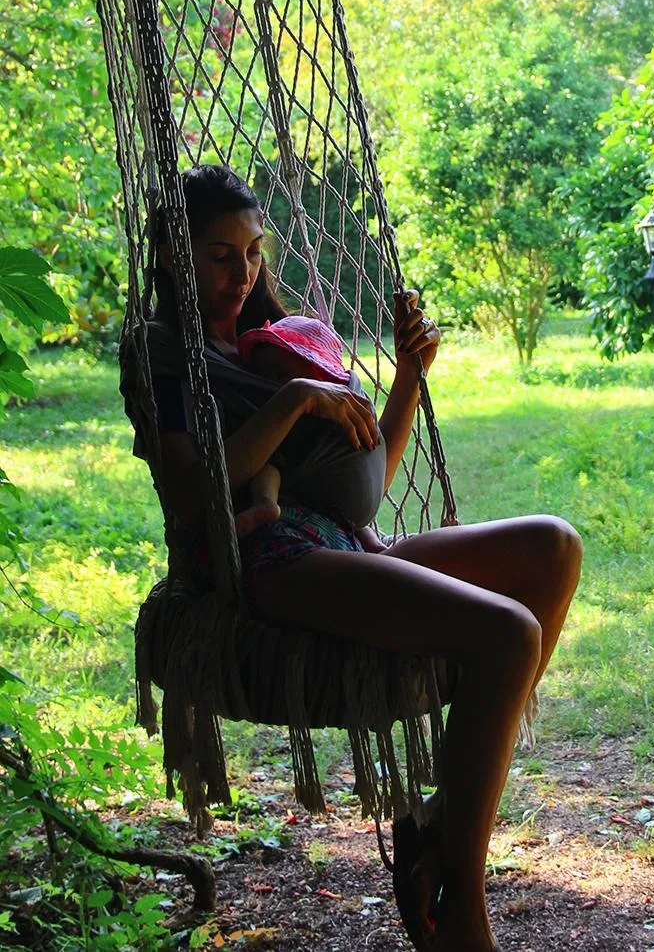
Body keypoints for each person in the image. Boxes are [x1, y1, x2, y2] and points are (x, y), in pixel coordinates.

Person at [150, 165, 582, 952]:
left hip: (350, 541)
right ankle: (462, 916)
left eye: (252, 254)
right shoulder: (166, 354)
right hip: (270, 560)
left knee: (553, 546)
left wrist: (409, 377)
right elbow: (191, 495)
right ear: (174, 255)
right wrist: (294, 402)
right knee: (508, 635)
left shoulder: (272, 339)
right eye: (220, 255)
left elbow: (367, 485)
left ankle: (438, 840)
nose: (242, 275)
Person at [236, 315, 387, 552]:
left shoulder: (316, 414)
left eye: (281, 375)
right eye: (262, 376)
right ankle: (373, 543)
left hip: (333, 507)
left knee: (271, 466)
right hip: (343, 513)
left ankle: (265, 503)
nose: (271, 385)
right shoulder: (357, 401)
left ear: (320, 377)